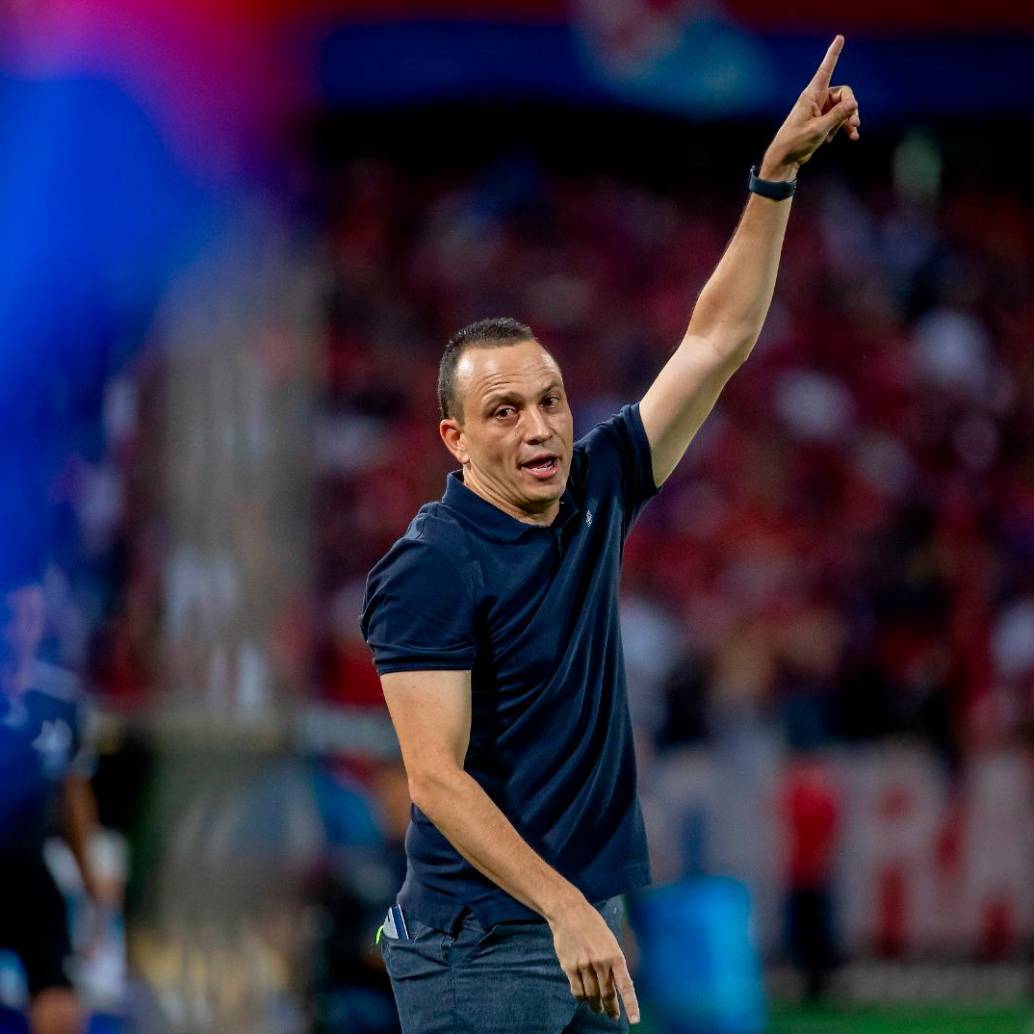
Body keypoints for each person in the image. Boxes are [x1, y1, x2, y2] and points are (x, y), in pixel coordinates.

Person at [360, 36, 860, 1033]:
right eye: (503, 412)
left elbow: (712, 341)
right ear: (453, 439)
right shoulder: (429, 564)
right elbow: (433, 776)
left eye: (548, 400)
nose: (540, 426)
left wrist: (768, 183)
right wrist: (562, 906)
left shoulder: (594, 485)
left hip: (576, 917)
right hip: (479, 940)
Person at [0, 561, 110, 1034]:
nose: (16, 631)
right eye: (8, 617)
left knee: (62, 1013)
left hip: (31, 878)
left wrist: (94, 887)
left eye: (28, 617)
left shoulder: (60, 701)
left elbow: (74, 800)